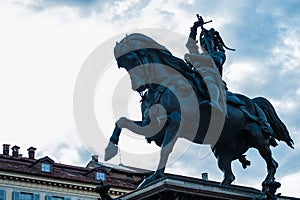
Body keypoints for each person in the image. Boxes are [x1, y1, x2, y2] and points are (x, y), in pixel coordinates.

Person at [185, 16, 229, 114]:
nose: (205, 44)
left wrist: (195, 58)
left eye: (207, 42)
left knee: (208, 78)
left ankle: (214, 103)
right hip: (194, 73)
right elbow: (190, 44)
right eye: (203, 43)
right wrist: (194, 28)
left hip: (210, 73)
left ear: (213, 43)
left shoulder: (219, 53)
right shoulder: (197, 53)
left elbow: (215, 61)